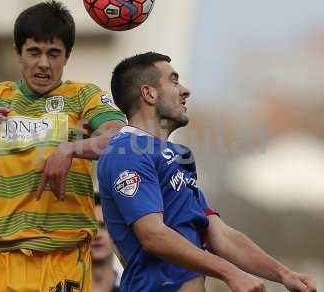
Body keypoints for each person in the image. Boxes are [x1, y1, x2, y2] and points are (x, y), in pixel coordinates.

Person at [0, 1, 126, 292]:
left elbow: (121, 138)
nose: (43, 63)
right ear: (18, 53)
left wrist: (70, 149)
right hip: (3, 257)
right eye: (34, 52)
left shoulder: (83, 96)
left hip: (64, 255)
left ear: (67, 56)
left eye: (54, 53)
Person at [97, 52, 317, 292]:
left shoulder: (176, 156)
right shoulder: (128, 151)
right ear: (149, 93)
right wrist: (230, 272)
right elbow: (153, 236)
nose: (185, 90)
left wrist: (284, 274)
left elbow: (219, 234)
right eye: (173, 80)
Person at [91, 193, 120, 292]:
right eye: (91, 228)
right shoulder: (59, 286)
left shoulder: (136, 287)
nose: (97, 235)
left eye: (104, 226)